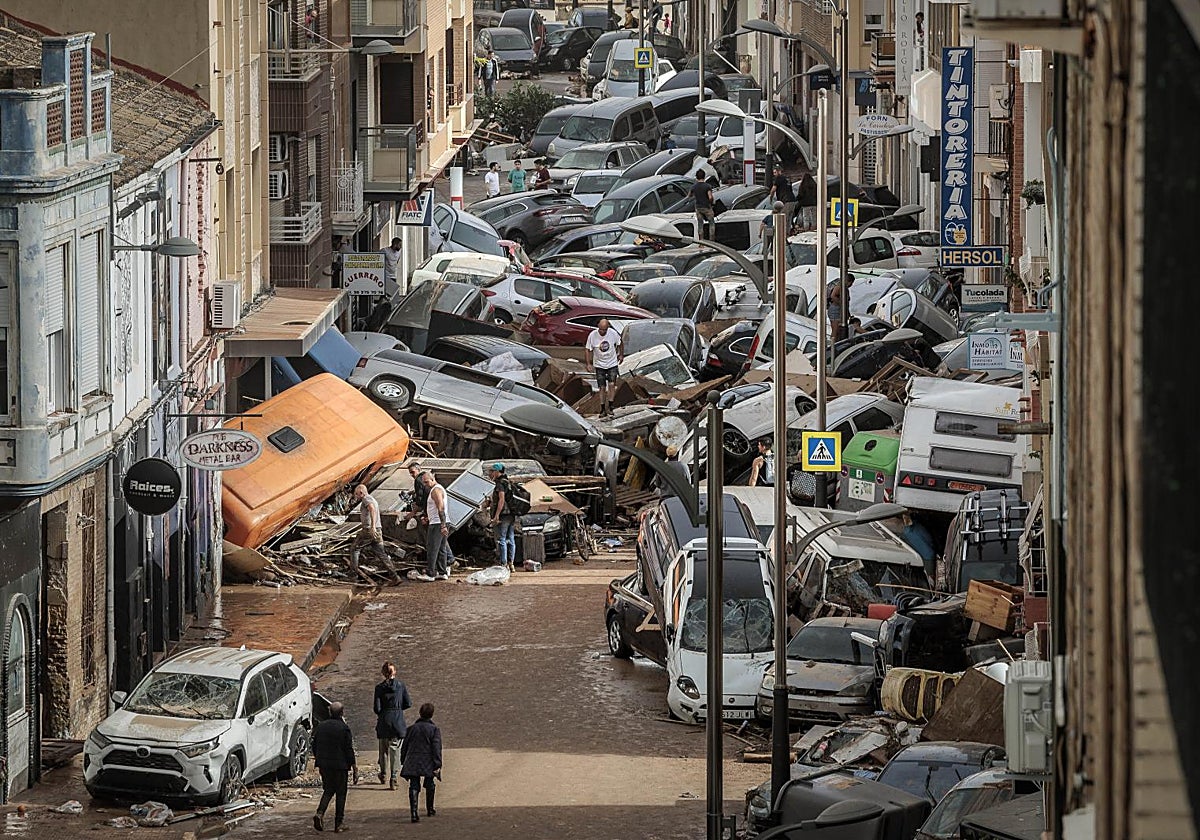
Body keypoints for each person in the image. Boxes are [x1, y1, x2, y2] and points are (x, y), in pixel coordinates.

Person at [312, 701, 357, 833]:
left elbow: (314, 746)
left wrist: (319, 759)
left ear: (330, 712)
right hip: (340, 765)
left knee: (328, 790)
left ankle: (320, 813)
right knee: (341, 793)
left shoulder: (321, 726)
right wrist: (354, 766)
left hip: (324, 765)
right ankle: (339, 823)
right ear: (342, 713)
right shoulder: (344, 728)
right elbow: (348, 749)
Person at [400, 702, 443, 823]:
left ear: (420, 713)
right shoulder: (434, 730)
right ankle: (430, 809)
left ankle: (414, 812)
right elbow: (436, 747)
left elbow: (405, 746)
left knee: (414, 785)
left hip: (413, 760)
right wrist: (438, 764)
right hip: (428, 760)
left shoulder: (411, 729)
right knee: (430, 784)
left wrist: (403, 760)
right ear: (432, 715)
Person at [373, 662, 412, 790]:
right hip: (397, 721)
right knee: (395, 749)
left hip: (384, 721)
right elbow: (408, 703)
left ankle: (383, 773)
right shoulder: (401, 686)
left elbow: (377, 708)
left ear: (383, 673)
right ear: (394, 672)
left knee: (383, 750)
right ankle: (394, 777)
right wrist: (398, 708)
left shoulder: (379, 688)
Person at [418, 472, 453, 581]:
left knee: (432, 547)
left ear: (432, 479)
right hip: (438, 521)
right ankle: (442, 572)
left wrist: (442, 525)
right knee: (441, 548)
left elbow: (441, 508)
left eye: (426, 482)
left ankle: (431, 573)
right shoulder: (436, 489)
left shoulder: (436, 490)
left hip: (438, 523)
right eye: (423, 482)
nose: (425, 484)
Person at [585, 318, 623, 418]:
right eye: (601, 330)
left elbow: (620, 343)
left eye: (604, 330)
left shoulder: (613, 333)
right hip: (599, 365)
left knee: (611, 384)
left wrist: (621, 355)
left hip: (612, 363)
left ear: (607, 328)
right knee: (601, 387)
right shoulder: (592, 335)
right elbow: (588, 349)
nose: (602, 332)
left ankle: (610, 405)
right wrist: (588, 363)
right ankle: (602, 408)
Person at [488, 463, 517, 571]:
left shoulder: (500, 483)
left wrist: (496, 516)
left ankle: (504, 564)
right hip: (511, 514)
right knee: (511, 538)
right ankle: (511, 563)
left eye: (492, 471)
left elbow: (501, 500)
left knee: (502, 539)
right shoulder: (508, 482)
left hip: (503, 515)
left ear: (497, 471)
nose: (490, 473)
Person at [352, 484, 387, 571]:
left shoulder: (366, 499)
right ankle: (395, 576)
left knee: (354, 549)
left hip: (369, 530)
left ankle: (353, 574)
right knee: (381, 554)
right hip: (378, 530)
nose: (356, 496)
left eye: (356, 494)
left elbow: (372, 509)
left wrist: (372, 526)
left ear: (361, 493)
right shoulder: (372, 499)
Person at [690, 170, 716, 240]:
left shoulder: (694, 186)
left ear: (696, 177)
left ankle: (701, 242)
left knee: (700, 224)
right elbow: (710, 197)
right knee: (711, 223)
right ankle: (712, 240)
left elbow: (689, 195)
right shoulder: (707, 186)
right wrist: (711, 202)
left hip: (698, 207)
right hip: (707, 207)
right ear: (704, 177)